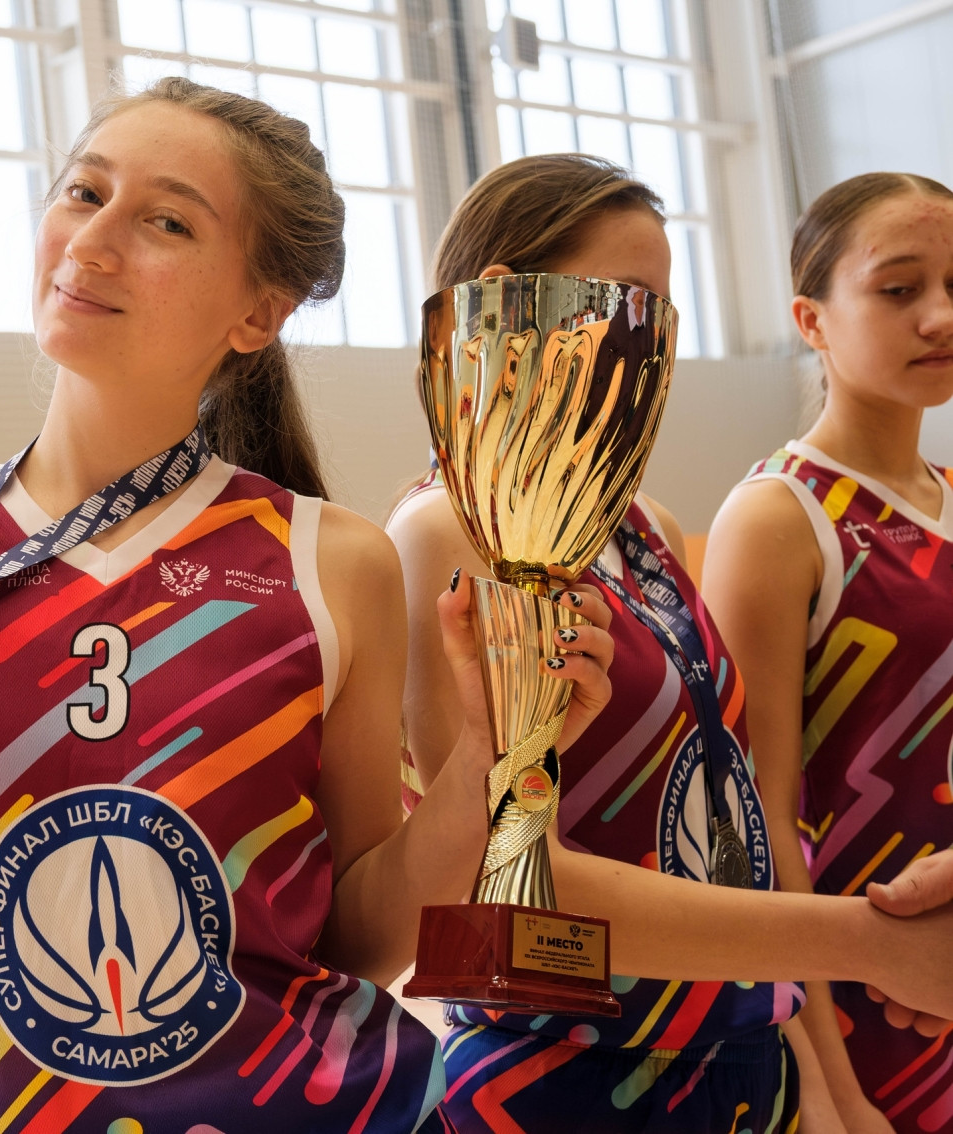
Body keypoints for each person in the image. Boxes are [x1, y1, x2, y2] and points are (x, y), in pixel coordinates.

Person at [0, 79, 622, 1132]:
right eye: (83, 192)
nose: (92, 241)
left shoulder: (330, 563)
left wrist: (484, 767)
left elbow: (360, 941)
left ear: (258, 312)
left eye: (166, 222)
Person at [387, 154, 953, 1133]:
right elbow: (511, 887)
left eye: (663, 309)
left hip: (731, 1053)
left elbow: (733, 824)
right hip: (564, 1069)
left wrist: (805, 1069)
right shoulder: (453, 531)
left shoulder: (642, 522)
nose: (648, 339)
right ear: (506, 303)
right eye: (625, 301)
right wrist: (864, 941)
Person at [704, 172, 953, 1133]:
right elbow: (754, 823)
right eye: (899, 289)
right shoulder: (780, 515)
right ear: (811, 319)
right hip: (860, 999)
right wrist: (832, 1089)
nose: (940, 315)